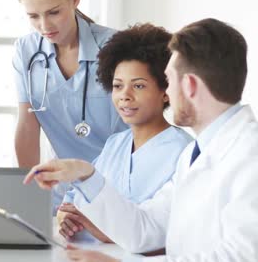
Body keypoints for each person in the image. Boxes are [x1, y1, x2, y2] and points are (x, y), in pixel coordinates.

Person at [24, 18, 258, 262]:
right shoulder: (195, 155)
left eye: (169, 80)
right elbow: (143, 230)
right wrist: (86, 175)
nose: (167, 91)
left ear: (191, 85)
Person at [57, 24, 192, 241]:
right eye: (118, 86)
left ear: (166, 92)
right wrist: (65, 217)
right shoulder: (115, 144)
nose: (124, 96)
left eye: (138, 86)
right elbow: (74, 199)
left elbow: (162, 230)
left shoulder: (183, 152)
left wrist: (97, 227)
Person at [12, 0, 128, 207]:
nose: (44, 26)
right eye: (33, 16)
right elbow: (28, 127)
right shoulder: (26, 51)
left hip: (115, 188)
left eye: (54, 12)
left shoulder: (114, 47)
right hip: (60, 194)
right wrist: (28, 197)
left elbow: (135, 130)